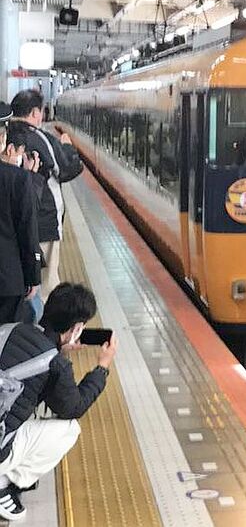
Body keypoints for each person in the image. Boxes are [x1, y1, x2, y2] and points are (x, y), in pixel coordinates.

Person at [0, 283, 116, 521]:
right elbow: (73, 408)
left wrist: (58, 352)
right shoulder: (56, 365)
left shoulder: (10, 329)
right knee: (69, 430)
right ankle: (3, 482)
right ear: (76, 328)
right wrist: (102, 368)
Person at [9, 90, 83, 302]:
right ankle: (43, 332)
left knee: (21, 282)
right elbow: (68, 168)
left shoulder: (5, 134)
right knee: (47, 284)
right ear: (34, 112)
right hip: (43, 222)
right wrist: (68, 148)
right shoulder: (39, 138)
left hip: (11, 226)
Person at [0, 102, 41, 324]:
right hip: (8, 280)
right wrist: (33, 277)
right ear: (2, 139)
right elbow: (28, 232)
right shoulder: (18, 179)